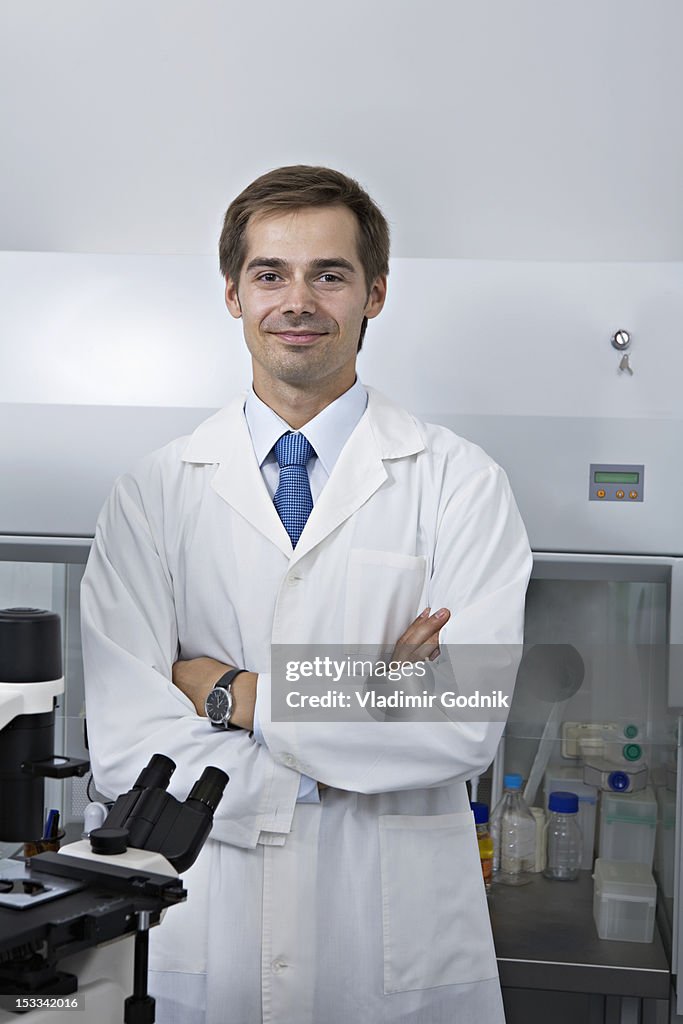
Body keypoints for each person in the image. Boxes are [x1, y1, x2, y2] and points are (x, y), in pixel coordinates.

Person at [81, 165, 532, 1024]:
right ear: (231, 294)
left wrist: (230, 693)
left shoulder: (459, 484)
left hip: (392, 929)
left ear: (375, 295)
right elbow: (130, 749)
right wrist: (372, 701)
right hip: (206, 913)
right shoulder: (154, 491)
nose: (298, 300)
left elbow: (459, 720)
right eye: (269, 274)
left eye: (329, 274)